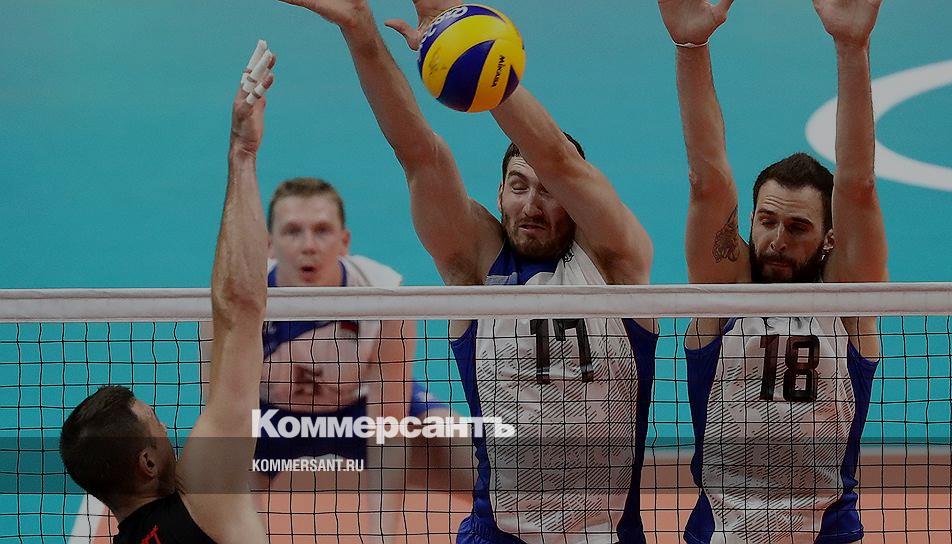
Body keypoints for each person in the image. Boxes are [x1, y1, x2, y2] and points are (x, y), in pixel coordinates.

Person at [276, 1, 659, 542]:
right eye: (518, 186)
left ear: (575, 201)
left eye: (549, 191)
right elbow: (419, 154)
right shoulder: (476, 271)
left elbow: (560, 160)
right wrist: (359, 29)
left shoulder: (617, 265)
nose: (531, 205)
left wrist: (472, 52)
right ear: (499, 194)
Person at [658, 0, 887, 541]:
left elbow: (858, 185)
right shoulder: (723, 294)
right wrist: (690, 47)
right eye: (767, 221)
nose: (777, 241)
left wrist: (852, 48)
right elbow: (707, 181)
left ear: (830, 237)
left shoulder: (847, 303)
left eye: (798, 228)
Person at [58, 42, 276, 543]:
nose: (168, 431)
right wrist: (242, 154)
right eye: (156, 425)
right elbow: (241, 311)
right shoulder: (205, 500)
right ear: (148, 463)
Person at [201, 176, 467, 493]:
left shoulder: (383, 295)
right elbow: (223, 423)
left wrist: (383, 523)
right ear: (269, 245)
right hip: (269, 419)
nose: (308, 246)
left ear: (344, 241)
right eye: (292, 231)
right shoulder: (237, 304)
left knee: (466, 450)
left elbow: (389, 429)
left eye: (322, 230)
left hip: (358, 410)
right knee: (217, 475)